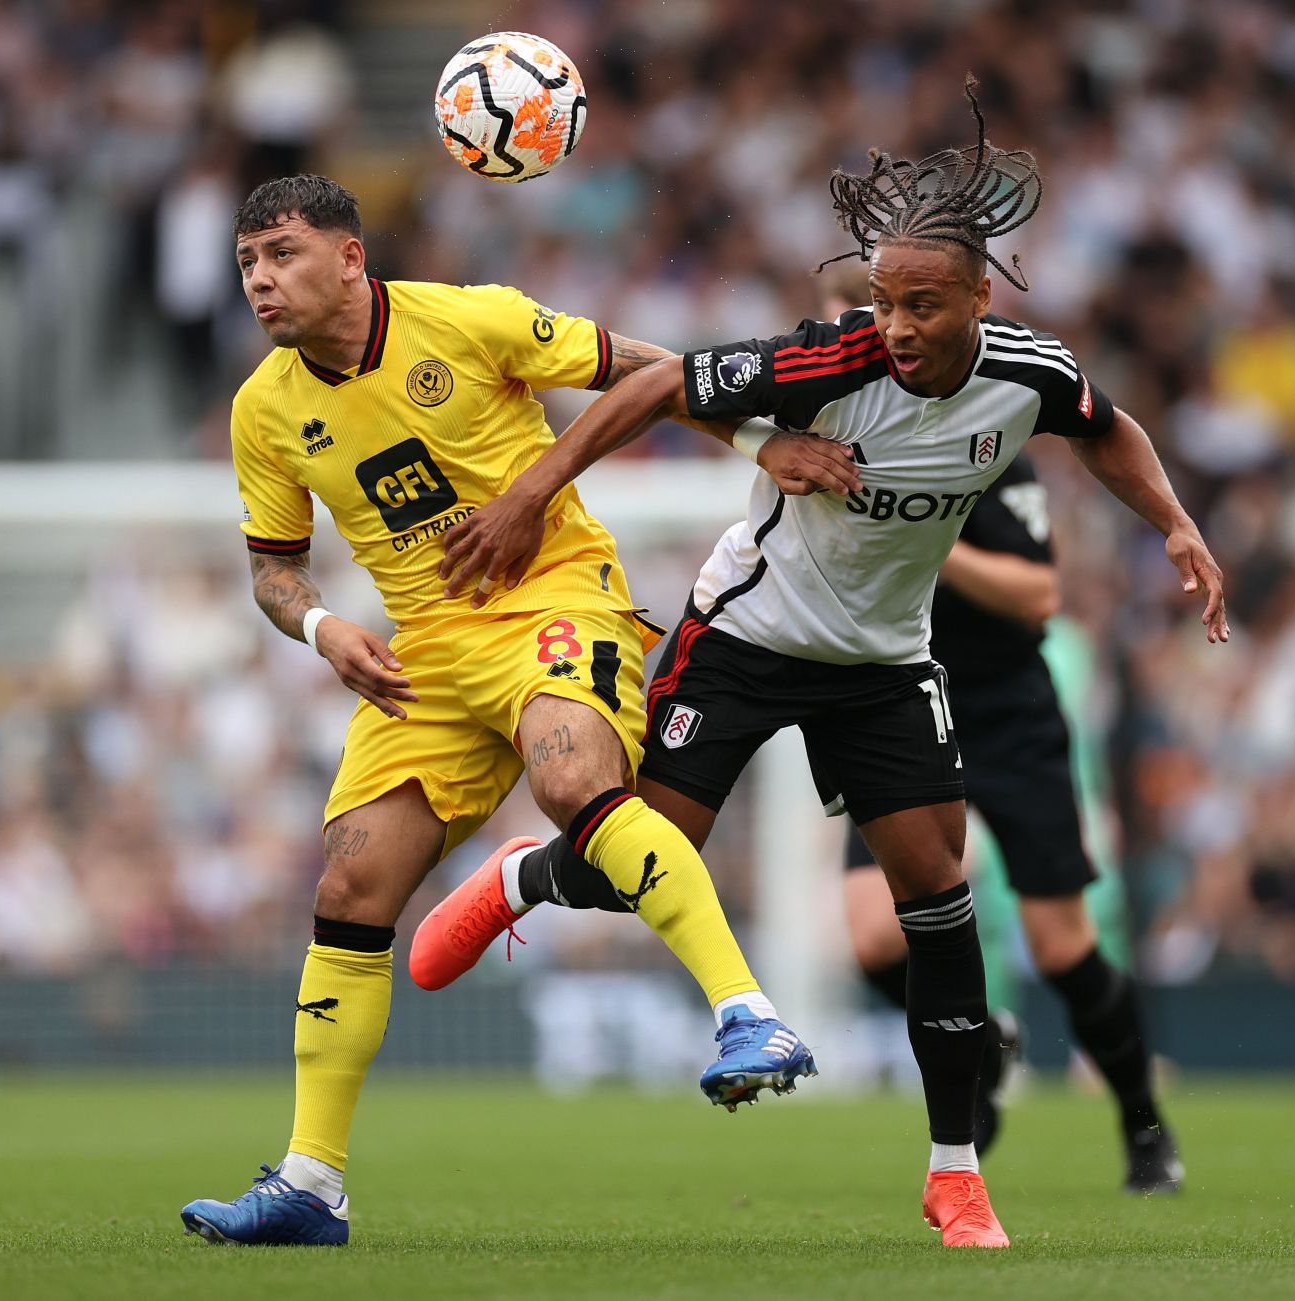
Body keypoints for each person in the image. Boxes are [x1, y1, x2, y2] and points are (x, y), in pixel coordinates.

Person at [417, 82, 1227, 1248]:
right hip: (743, 641)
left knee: (936, 900)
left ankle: (956, 1175)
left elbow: (1110, 429)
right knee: (640, 864)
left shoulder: (1027, 374)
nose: (894, 324)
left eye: (921, 303)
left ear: (979, 298)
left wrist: (1177, 525)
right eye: (885, 299)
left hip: (884, 663)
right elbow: (653, 382)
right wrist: (533, 492)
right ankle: (528, 879)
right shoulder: (827, 360)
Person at [179, 175, 844, 1247]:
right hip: (424, 657)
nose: (260, 277)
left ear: (350, 258)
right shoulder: (263, 408)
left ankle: (748, 1015)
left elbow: (649, 369)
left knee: (575, 774)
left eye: (283, 253)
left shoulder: (467, 316)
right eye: (248, 260)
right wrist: (321, 629)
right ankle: (312, 1181)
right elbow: (272, 567)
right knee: (351, 881)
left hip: (555, 596)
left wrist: (752, 442)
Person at [813, 259, 1183, 1195]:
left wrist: (931, 538)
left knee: (1062, 944)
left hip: (1006, 714)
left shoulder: (989, 444)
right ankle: (983, 1043)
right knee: (869, 935)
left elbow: (1040, 594)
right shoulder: (830, 449)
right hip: (898, 698)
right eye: (859, 324)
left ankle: (1144, 1122)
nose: (875, 343)